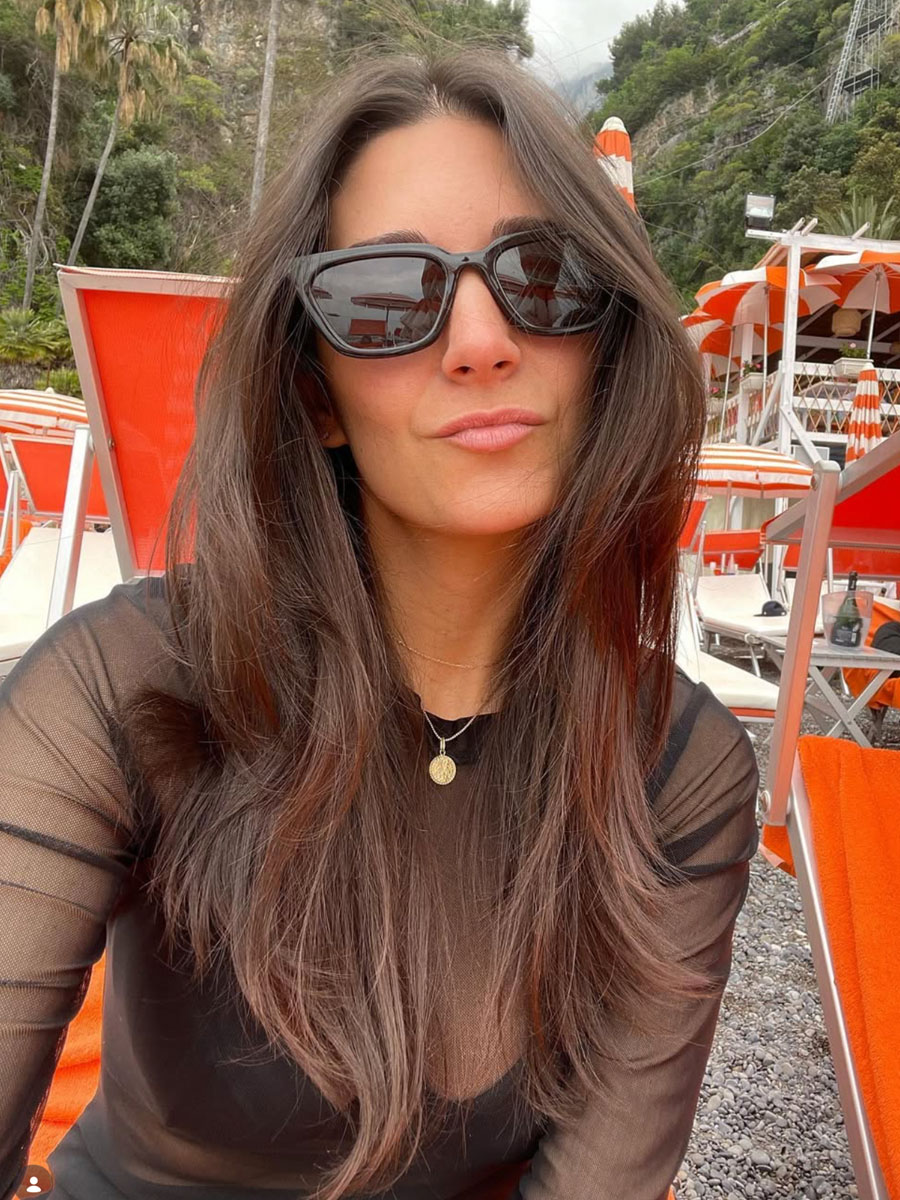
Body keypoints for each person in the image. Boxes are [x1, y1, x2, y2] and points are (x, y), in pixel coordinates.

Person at [0, 45, 760, 1200]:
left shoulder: (676, 771)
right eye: (385, 296)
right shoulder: (123, 688)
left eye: (541, 274)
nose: (479, 339)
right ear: (316, 396)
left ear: (604, 347)